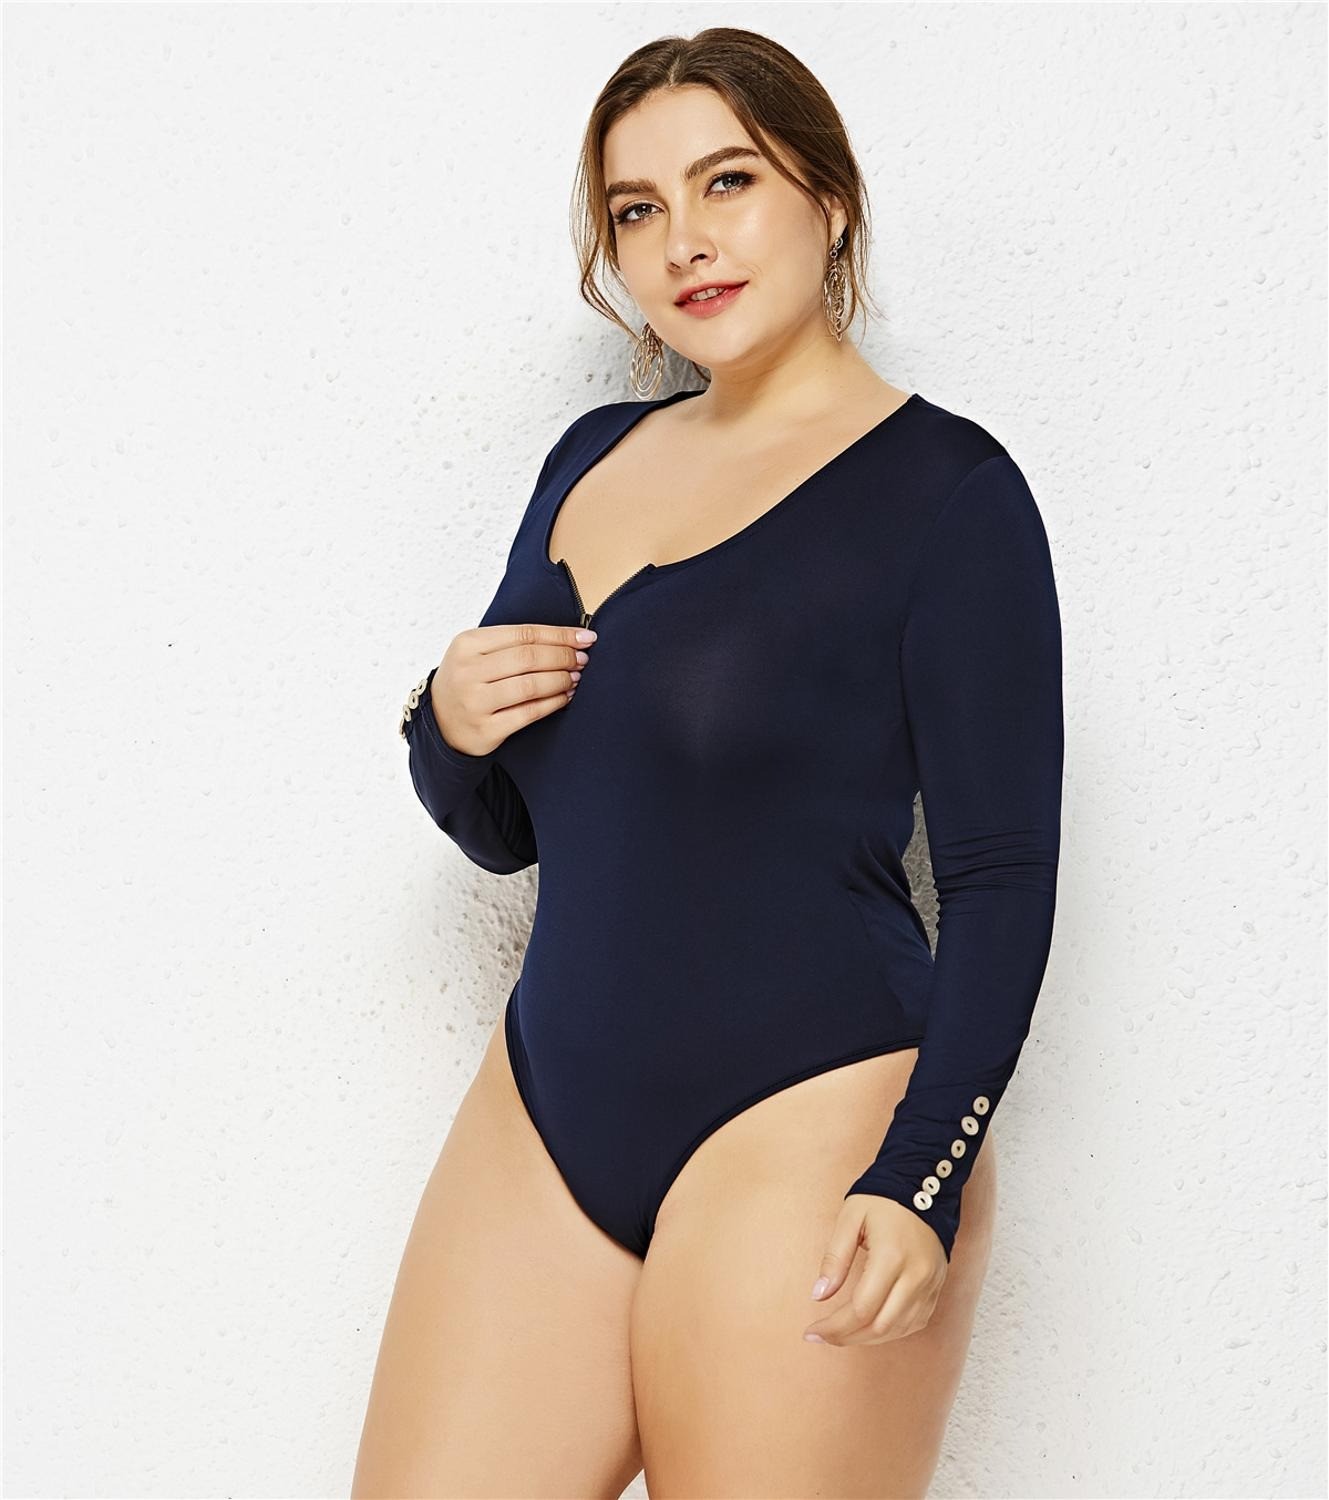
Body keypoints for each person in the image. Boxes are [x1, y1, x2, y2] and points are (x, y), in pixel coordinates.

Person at [354, 26, 1063, 1500]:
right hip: (547, 1113)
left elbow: (1000, 876)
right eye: (637, 208)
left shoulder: (950, 496)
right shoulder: (587, 460)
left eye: (727, 182)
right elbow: (508, 829)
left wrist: (920, 1175)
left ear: (829, 199)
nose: (683, 240)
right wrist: (444, 721)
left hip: (814, 1120)